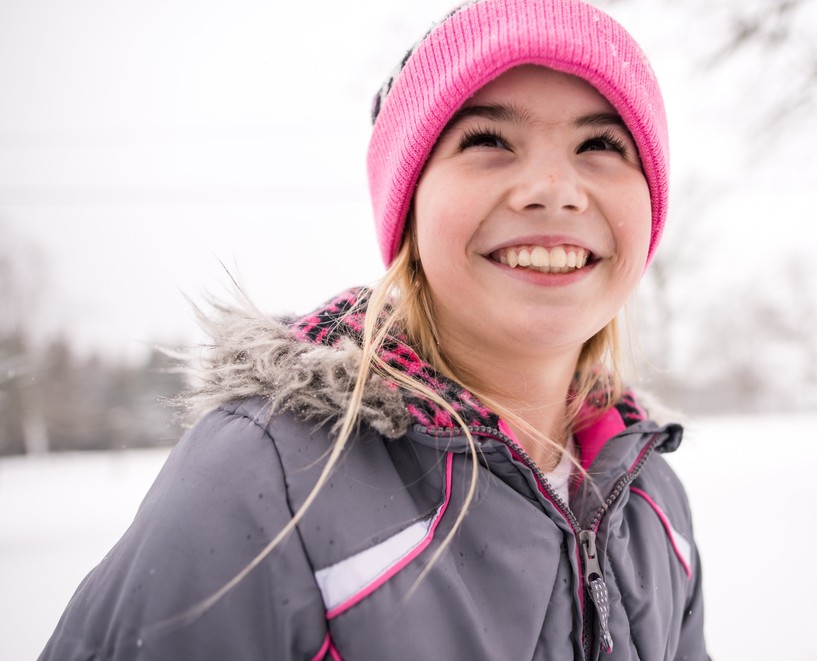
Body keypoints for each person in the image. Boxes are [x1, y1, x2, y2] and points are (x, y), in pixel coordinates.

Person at [41, 0, 710, 659]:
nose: (553, 188)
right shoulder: (267, 480)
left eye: (601, 144)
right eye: (487, 141)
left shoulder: (652, 499)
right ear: (408, 212)